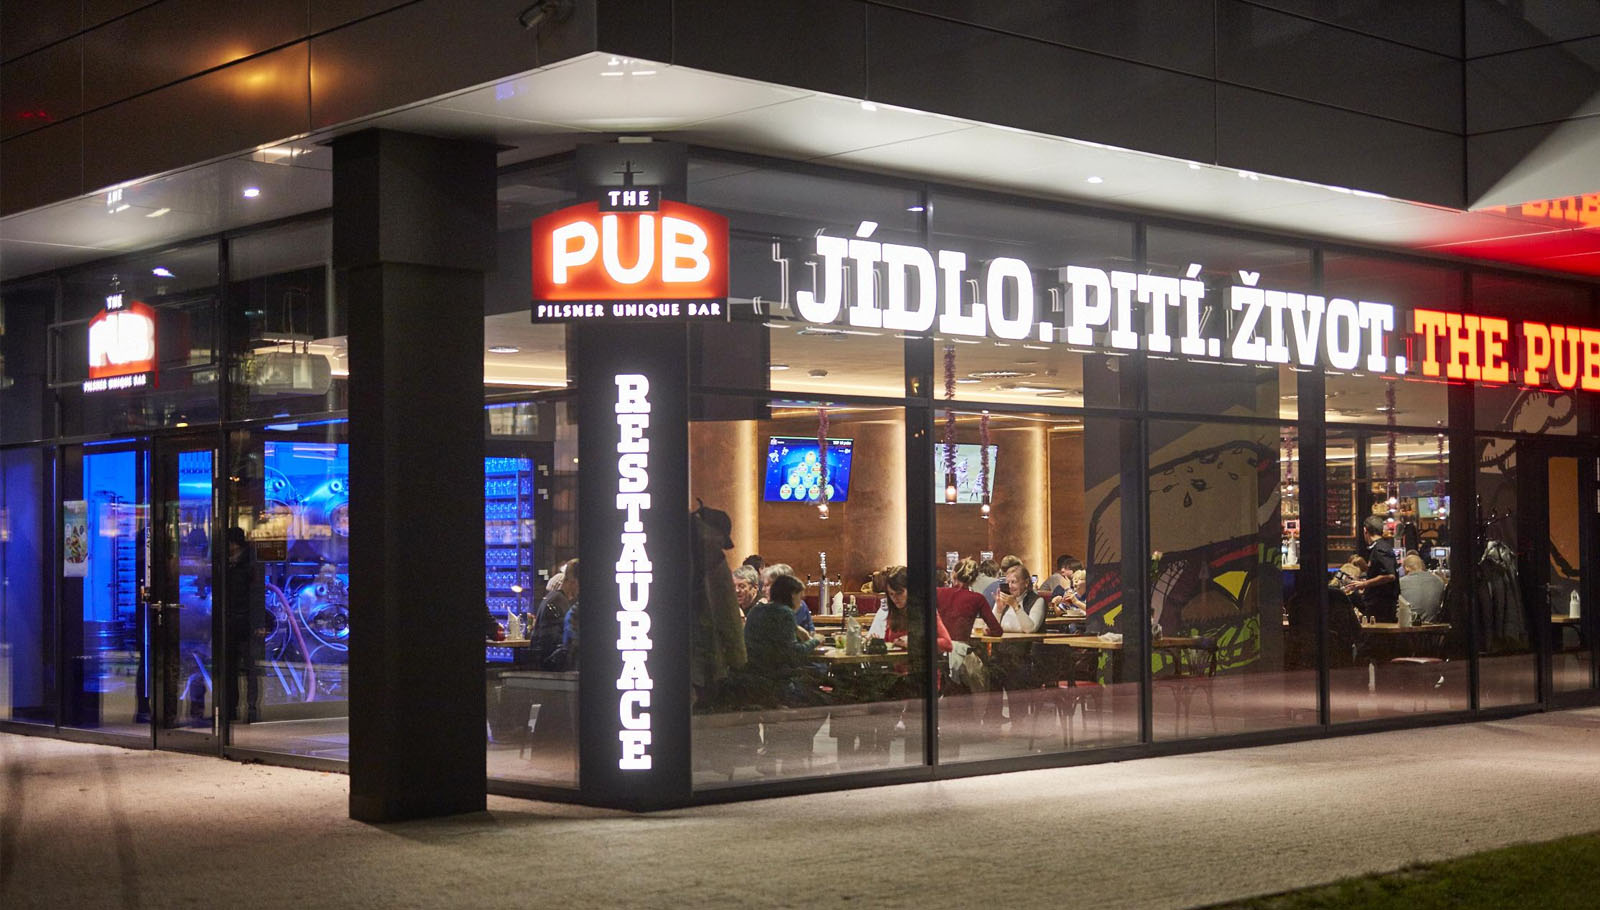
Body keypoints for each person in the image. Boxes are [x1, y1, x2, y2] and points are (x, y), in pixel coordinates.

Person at [222, 527, 264, 722]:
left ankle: (251, 708)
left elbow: (256, 595)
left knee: (249, 668)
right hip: (232, 621)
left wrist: (258, 623)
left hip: (245, 622)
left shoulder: (248, 564)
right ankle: (232, 708)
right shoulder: (230, 563)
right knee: (231, 668)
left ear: (234, 544)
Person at [867, 565, 952, 653]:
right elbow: (889, 643)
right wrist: (877, 642)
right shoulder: (894, 612)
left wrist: (915, 642)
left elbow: (947, 644)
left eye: (899, 593)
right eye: (891, 594)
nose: (895, 598)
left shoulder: (925, 611)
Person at [743, 574, 817, 673]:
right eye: (800, 597)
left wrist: (795, 628)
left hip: (751, 674)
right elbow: (794, 653)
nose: (801, 602)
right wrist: (816, 641)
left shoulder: (756, 610)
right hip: (775, 677)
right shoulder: (785, 612)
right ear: (793, 595)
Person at [1346, 515, 1399, 622]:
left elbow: (1389, 575)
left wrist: (1364, 584)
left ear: (1365, 530)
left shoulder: (1380, 548)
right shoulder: (1381, 547)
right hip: (1380, 604)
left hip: (1380, 606)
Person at [937, 558, 1003, 643]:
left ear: (953, 575)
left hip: (938, 647)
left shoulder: (938, 592)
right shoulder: (978, 598)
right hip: (961, 647)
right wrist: (986, 632)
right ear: (974, 579)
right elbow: (997, 631)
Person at [530, 562, 577, 670]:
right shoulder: (559, 601)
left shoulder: (554, 598)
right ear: (573, 581)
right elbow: (554, 640)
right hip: (550, 666)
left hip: (542, 662)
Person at [761, 563, 814, 635]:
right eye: (764, 585)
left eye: (767, 585)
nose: (763, 589)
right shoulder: (762, 607)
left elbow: (811, 632)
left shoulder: (800, 605)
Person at [994, 563, 1046, 632]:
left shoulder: (1037, 601)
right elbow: (990, 627)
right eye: (1008, 582)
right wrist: (998, 610)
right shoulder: (1004, 600)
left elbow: (1031, 629)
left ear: (1026, 582)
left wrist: (1015, 606)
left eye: (1013, 582)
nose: (1010, 586)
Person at [1399, 552, 1445, 623]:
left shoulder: (1400, 582)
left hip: (1407, 626)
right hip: (1433, 626)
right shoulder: (1439, 581)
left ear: (1406, 568)